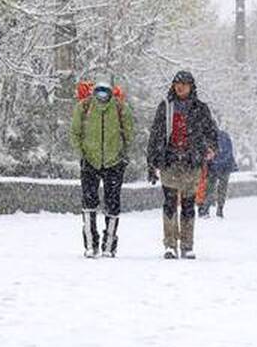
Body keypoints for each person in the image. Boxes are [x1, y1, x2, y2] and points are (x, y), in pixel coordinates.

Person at [146, 70, 219, 259]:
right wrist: (152, 162)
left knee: (188, 204)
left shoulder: (200, 109)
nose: (180, 87)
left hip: (191, 163)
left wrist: (210, 148)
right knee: (169, 203)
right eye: (177, 84)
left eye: (184, 84)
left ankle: (187, 245)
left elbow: (211, 132)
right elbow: (156, 134)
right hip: (169, 162)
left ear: (191, 86)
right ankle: (170, 244)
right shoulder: (166, 107)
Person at [70, 81, 135, 258]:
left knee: (112, 203)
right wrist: (82, 153)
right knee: (89, 202)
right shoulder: (84, 107)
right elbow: (75, 132)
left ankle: (109, 245)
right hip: (90, 161)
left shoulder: (121, 109)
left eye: (105, 93)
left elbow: (129, 133)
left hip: (114, 162)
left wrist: (122, 155)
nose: (102, 96)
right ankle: (91, 244)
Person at [198, 128, 238, 218]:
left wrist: (213, 159)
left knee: (210, 188)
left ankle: (206, 209)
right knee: (221, 189)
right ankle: (218, 209)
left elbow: (210, 153)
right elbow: (228, 151)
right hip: (224, 167)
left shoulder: (210, 137)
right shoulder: (224, 136)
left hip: (217, 167)